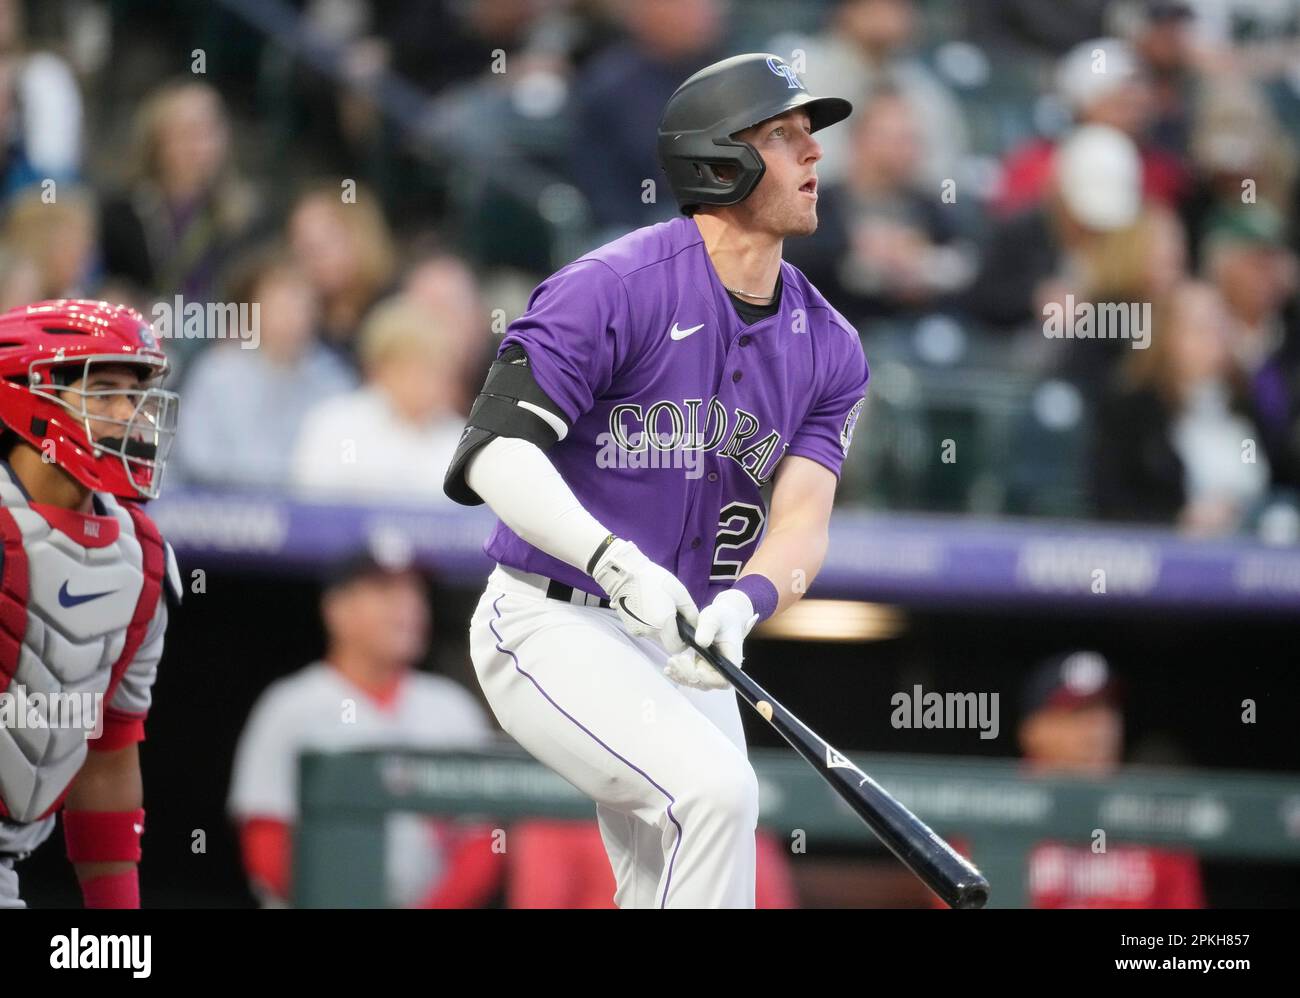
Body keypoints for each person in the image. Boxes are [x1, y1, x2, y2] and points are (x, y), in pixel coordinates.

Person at [443, 53, 869, 908]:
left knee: (684, 861)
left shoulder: (830, 344)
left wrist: (747, 602)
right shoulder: (609, 287)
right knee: (715, 794)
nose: (814, 154)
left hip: (681, 645)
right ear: (721, 162)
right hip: (546, 618)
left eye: (808, 136)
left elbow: (804, 521)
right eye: (784, 136)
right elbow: (493, 454)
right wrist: (614, 562)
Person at [0, 300, 182, 908]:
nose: (127, 416)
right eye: (102, 392)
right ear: (28, 395)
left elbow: (107, 752)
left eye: (134, 395)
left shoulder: (141, 558)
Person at [228, 545, 500, 908]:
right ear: (336, 610)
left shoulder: (451, 708)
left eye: (414, 592)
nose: (408, 607)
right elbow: (265, 838)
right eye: (385, 592)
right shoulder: (290, 706)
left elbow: (482, 840)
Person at [1017, 651, 1204, 908]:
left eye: (1106, 710)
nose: (1098, 729)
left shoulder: (1155, 813)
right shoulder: (992, 806)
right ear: (1033, 731)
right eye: (1077, 714)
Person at [1089, 280, 1271, 532]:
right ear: (1167, 336)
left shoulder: (1246, 403)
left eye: (1221, 325)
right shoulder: (1130, 412)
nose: (1215, 338)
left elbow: (1278, 484)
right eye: (1201, 328)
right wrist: (1178, 521)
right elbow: (1110, 503)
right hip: (1169, 558)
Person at [171, 252, 355, 489]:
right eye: (280, 305)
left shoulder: (334, 380)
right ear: (253, 310)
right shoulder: (218, 373)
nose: (291, 317)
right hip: (224, 508)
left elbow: (349, 455)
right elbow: (194, 455)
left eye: (301, 305)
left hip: (309, 512)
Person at [290, 295, 467, 501]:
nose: (427, 381)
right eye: (412, 366)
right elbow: (308, 505)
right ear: (380, 367)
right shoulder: (334, 424)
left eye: (437, 368)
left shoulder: (461, 441)